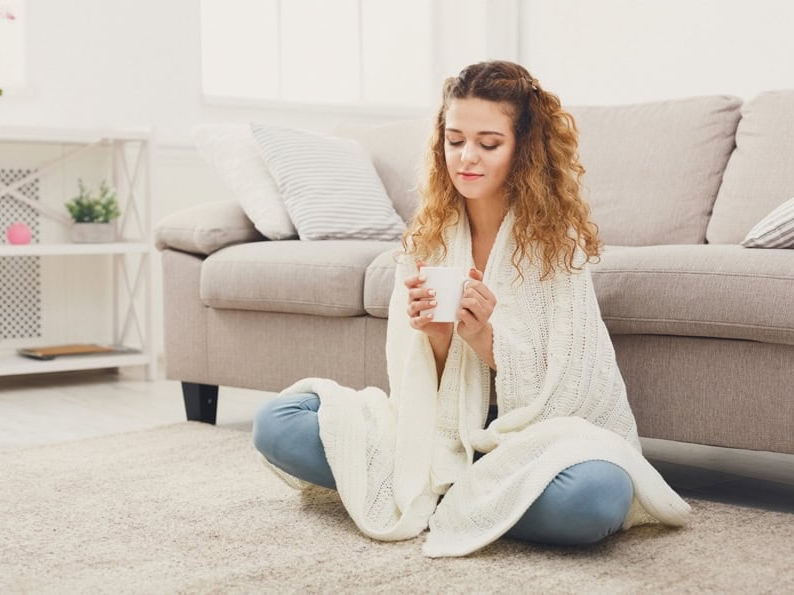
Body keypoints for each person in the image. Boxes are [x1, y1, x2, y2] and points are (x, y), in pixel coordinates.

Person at [253, 60, 690, 558]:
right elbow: (416, 387)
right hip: (437, 434)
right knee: (277, 421)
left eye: (488, 143)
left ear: (522, 149)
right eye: (455, 139)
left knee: (594, 498)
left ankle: (448, 495)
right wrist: (436, 334)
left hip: (529, 438)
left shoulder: (554, 243)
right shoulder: (429, 236)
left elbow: (571, 384)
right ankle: (465, 494)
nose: (467, 158)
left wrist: (485, 337)